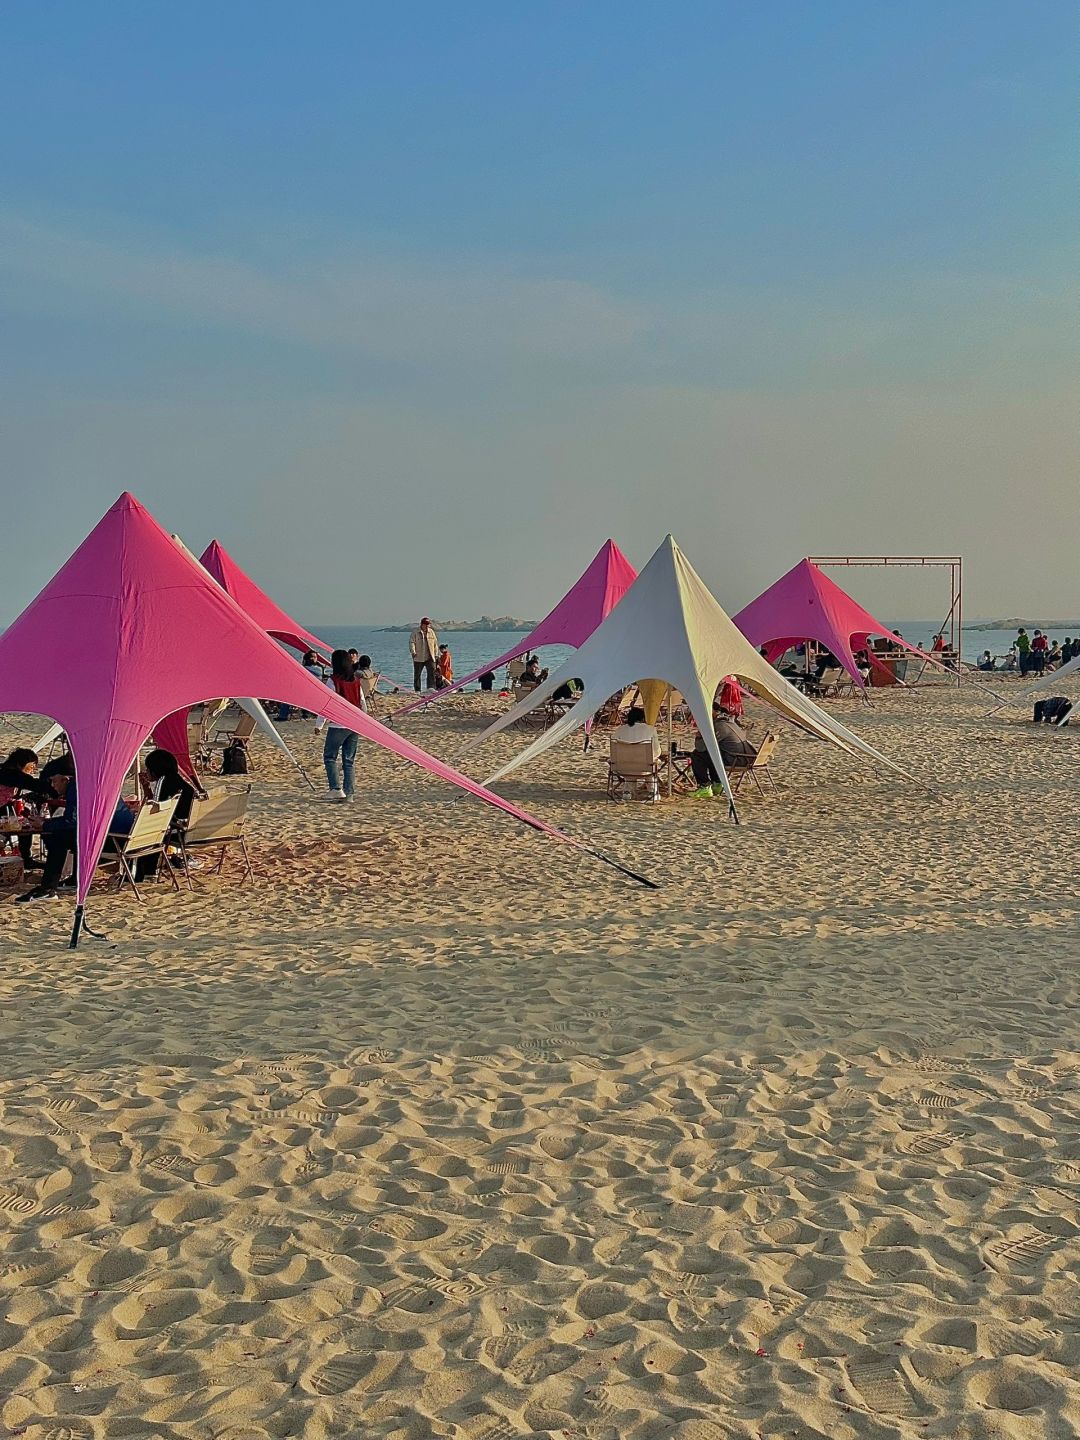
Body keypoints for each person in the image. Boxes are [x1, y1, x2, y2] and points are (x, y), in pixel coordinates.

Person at [17, 771, 134, 903]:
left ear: (66, 779)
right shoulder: (98, 783)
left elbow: (71, 820)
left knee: (58, 838)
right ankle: (74, 878)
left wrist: (44, 824)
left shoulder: (76, 787)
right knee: (70, 835)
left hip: (113, 841)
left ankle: (48, 888)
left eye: (54, 781)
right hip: (125, 838)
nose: (52, 786)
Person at [136, 748, 196, 878]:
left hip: (176, 832)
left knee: (146, 831)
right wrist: (146, 787)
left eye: (147, 769)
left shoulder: (163, 781)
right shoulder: (180, 781)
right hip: (190, 830)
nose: (146, 772)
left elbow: (155, 811)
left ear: (154, 771)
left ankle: (146, 871)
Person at [0, 747, 54, 873]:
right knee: (23, 825)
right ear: (21, 763)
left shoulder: (5, 771)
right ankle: (26, 859)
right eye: (32, 766)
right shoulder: (11, 774)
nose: (33, 769)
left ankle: (25, 858)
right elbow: (34, 784)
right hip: (3, 810)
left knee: (25, 823)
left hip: (6, 807)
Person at [323, 649, 366, 802]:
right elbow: (362, 701)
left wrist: (319, 724)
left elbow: (327, 703)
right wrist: (363, 720)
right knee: (349, 760)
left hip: (338, 724)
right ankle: (350, 794)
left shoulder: (333, 680)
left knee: (330, 756)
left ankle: (335, 789)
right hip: (354, 724)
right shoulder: (355, 680)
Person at [690, 709, 756, 797]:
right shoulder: (730, 723)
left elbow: (701, 747)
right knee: (712, 755)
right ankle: (717, 783)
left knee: (697, 755)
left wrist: (699, 736)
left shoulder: (720, 726)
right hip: (746, 758)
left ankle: (704, 786)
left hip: (736, 760)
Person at [409, 618, 439, 692]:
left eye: (428, 624)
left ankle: (431, 688)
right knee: (417, 674)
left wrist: (436, 654)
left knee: (431, 673)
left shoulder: (431, 632)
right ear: (422, 624)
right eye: (426, 624)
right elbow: (411, 642)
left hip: (430, 656)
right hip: (419, 657)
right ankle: (417, 690)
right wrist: (413, 652)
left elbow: (435, 644)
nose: (427, 626)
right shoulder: (415, 632)